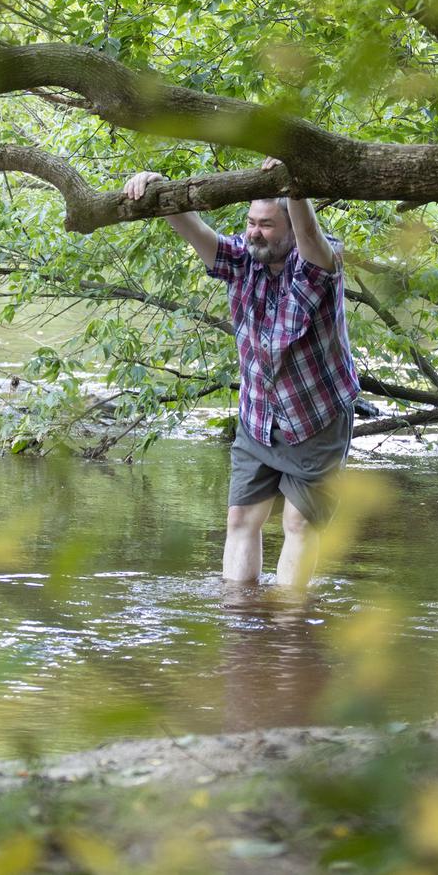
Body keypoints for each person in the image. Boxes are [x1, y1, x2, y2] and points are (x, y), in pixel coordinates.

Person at [123, 157, 359, 587]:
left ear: (290, 226)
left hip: (316, 419)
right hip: (258, 417)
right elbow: (196, 231)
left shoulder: (321, 263)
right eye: (250, 222)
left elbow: (310, 237)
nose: (254, 232)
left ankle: (288, 627)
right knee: (239, 519)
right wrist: (158, 189)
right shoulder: (243, 258)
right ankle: (241, 623)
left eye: (267, 224)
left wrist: (295, 183)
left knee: (299, 525)